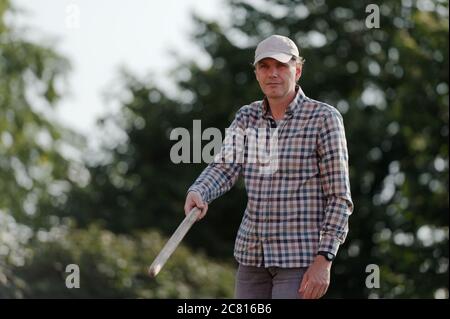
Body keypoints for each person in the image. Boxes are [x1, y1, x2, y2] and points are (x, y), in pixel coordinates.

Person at [184, 35, 353, 299]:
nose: (272, 73)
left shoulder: (324, 119)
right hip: (251, 256)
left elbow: (339, 197)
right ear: (256, 73)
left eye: (281, 66)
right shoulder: (246, 116)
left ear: (297, 70)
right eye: (264, 66)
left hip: (299, 259)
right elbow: (224, 167)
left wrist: (325, 258)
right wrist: (199, 191)